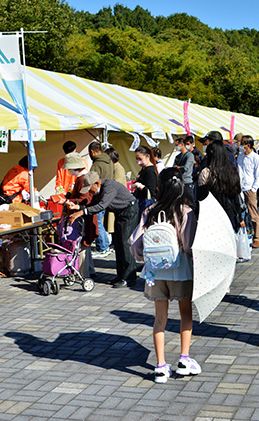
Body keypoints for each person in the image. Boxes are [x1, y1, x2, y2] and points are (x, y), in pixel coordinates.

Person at [129, 168, 199, 383]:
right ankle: (184, 360)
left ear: (159, 188)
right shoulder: (186, 211)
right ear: (182, 188)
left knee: (160, 318)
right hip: (181, 269)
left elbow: (134, 241)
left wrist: (142, 258)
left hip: (155, 270)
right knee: (185, 313)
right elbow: (189, 245)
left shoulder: (150, 210)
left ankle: (160, 367)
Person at [67, 171, 139, 288]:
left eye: (90, 189)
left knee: (125, 244)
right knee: (118, 244)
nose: (90, 192)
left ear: (96, 183)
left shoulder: (109, 187)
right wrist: (78, 207)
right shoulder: (98, 191)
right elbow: (91, 206)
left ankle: (129, 278)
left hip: (129, 211)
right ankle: (121, 275)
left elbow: (101, 206)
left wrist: (79, 213)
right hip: (120, 213)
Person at [60, 153, 99, 279]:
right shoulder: (83, 177)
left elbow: (84, 200)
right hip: (85, 214)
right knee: (85, 245)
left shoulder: (83, 179)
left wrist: (70, 202)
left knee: (82, 245)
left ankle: (83, 274)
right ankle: (89, 270)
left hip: (83, 215)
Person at [197, 140, 243, 232]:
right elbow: (236, 196)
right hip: (230, 214)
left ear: (211, 153)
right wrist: (240, 217)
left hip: (212, 216)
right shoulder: (232, 171)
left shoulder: (207, 172)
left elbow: (200, 196)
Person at [237, 135, 259, 248]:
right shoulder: (240, 157)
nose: (240, 145)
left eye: (242, 143)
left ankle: (256, 238)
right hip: (240, 188)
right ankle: (244, 235)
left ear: (248, 145)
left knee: (253, 214)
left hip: (250, 188)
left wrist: (254, 189)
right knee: (241, 213)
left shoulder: (255, 157)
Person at [89, 141, 114, 257]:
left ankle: (103, 246)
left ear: (92, 152)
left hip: (99, 195)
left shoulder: (96, 164)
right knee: (99, 220)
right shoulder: (109, 162)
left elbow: (92, 181)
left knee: (97, 221)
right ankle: (105, 245)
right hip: (107, 193)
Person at [131, 146, 158, 214]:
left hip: (146, 204)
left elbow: (151, 192)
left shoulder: (150, 171)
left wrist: (139, 185)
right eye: (136, 159)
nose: (138, 161)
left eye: (140, 159)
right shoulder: (143, 169)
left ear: (148, 156)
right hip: (140, 202)